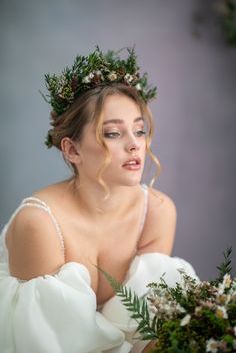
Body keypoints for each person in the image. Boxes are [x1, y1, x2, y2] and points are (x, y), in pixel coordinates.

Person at [0, 47, 198, 353]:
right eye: (113, 133)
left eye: (139, 130)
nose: (135, 145)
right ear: (72, 151)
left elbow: (145, 330)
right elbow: (41, 341)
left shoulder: (158, 212)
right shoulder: (39, 225)